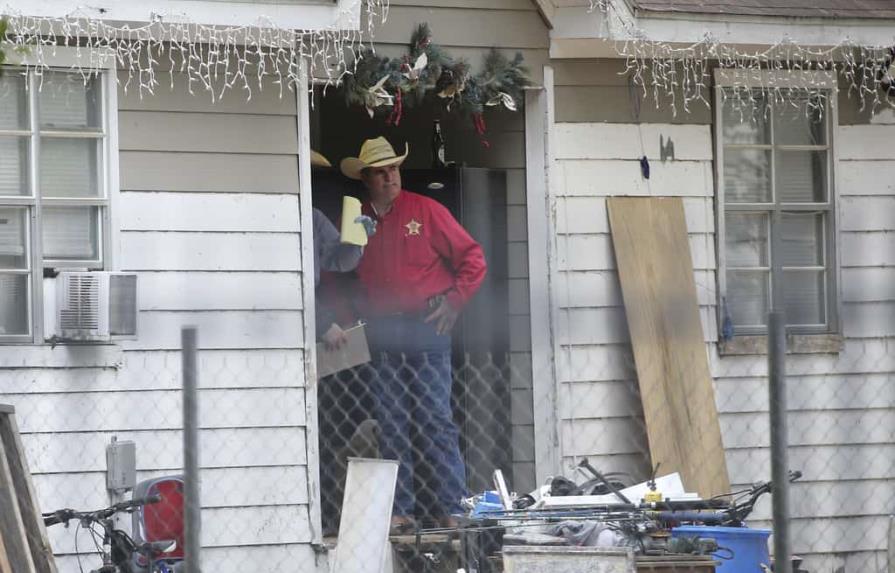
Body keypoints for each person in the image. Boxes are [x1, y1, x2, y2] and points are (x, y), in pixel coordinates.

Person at [340, 136, 487, 531]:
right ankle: (400, 510)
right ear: (367, 179)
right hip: (384, 328)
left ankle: (453, 507)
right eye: (380, 172)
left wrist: (455, 302)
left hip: (426, 325)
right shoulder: (356, 220)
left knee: (435, 417)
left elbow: (473, 257)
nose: (389, 177)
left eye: (393, 169)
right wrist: (344, 319)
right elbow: (342, 275)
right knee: (391, 420)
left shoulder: (427, 210)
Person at [310, 150, 374, 348]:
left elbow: (338, 261)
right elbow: (285, 283)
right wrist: (322, 324)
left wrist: (357, 239)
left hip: (306, 314)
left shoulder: (313, 217)